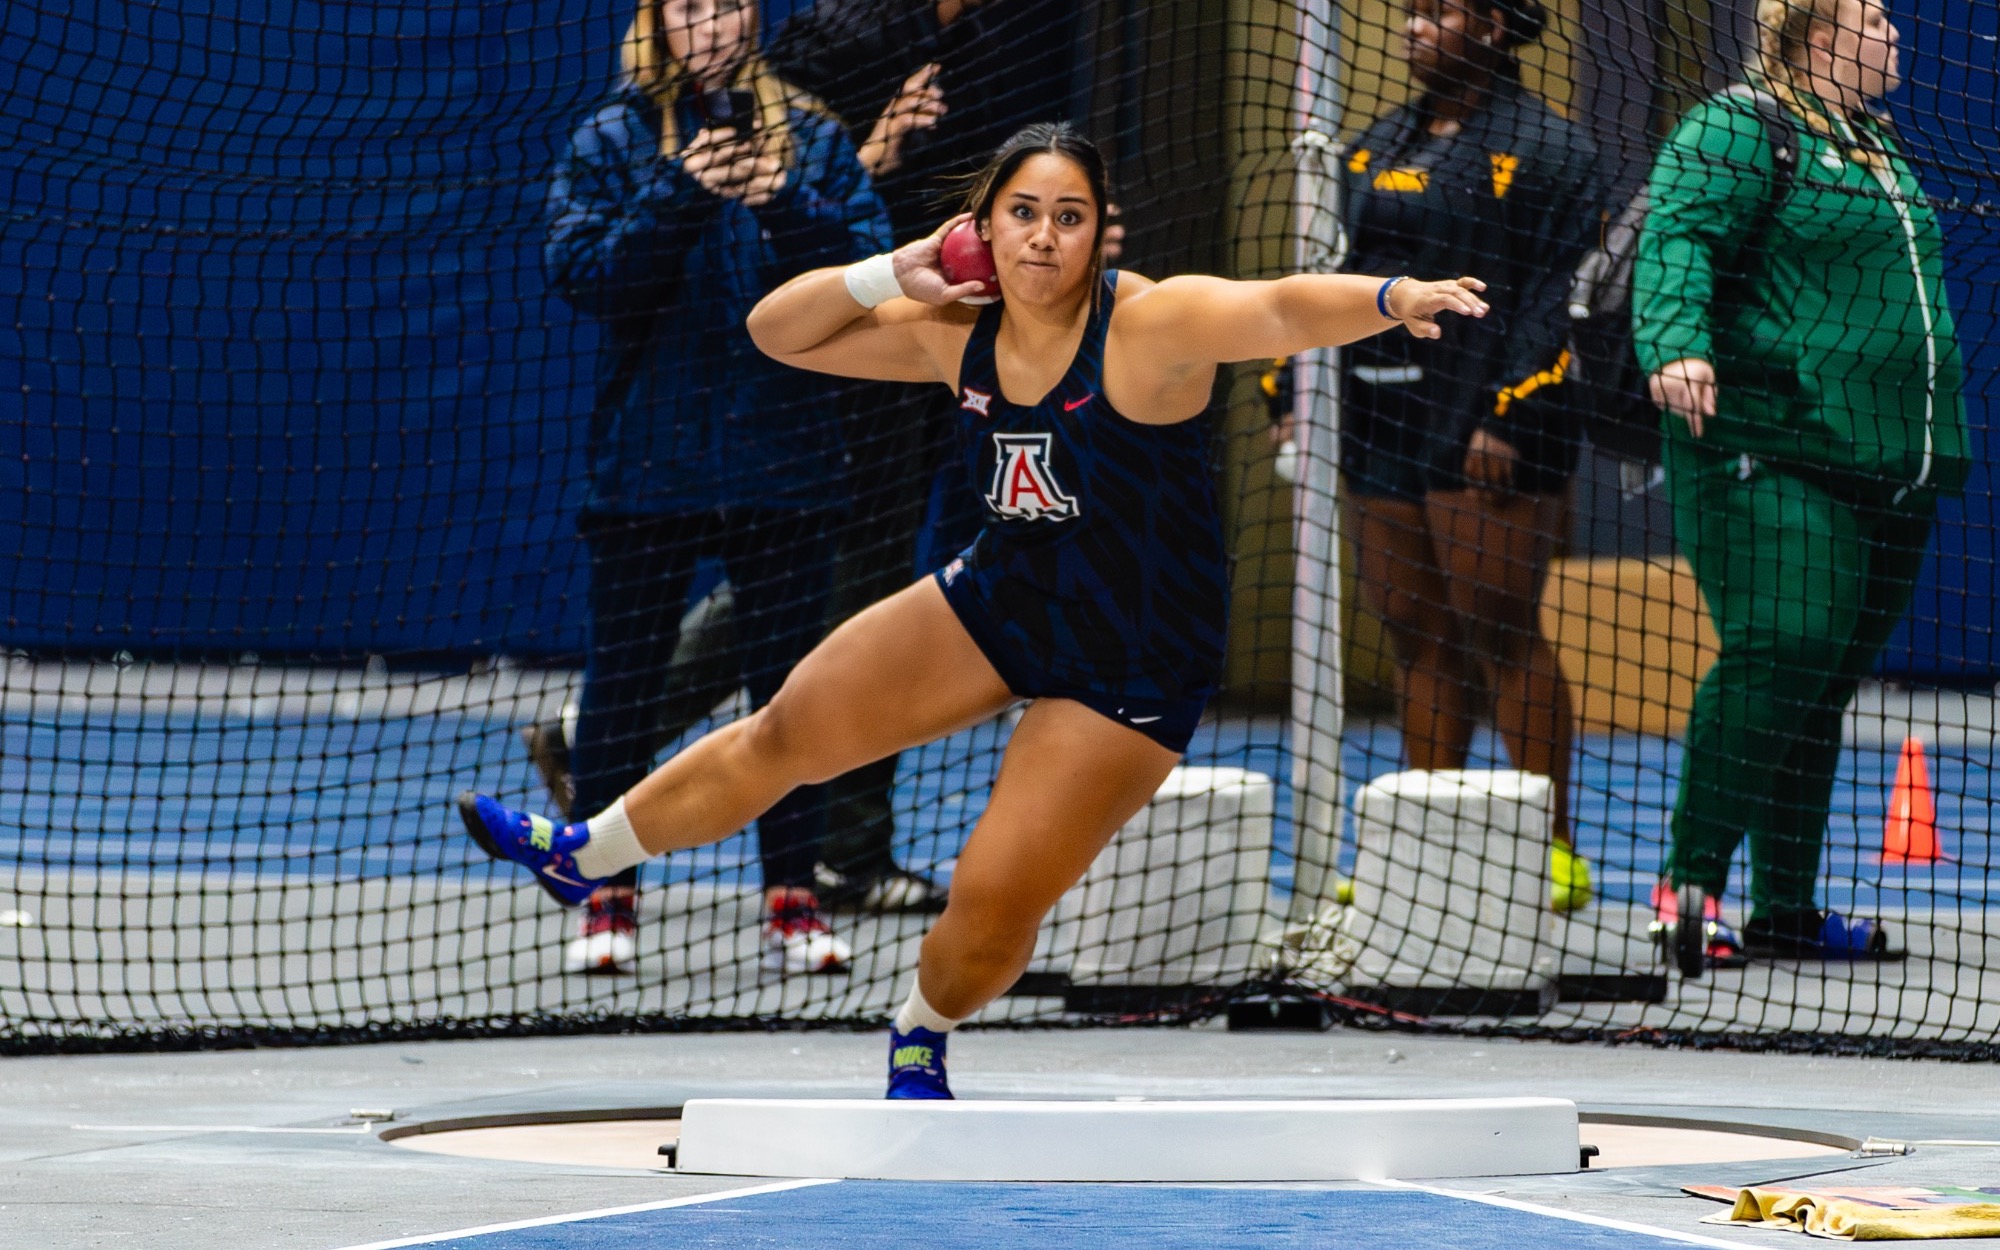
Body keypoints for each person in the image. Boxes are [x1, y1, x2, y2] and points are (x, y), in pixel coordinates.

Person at [459, 121, 1487, 1096]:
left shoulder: (1147, 324)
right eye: (1022, 211)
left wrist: (1395, 295)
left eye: (1069, 215)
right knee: (785, 728)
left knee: (990, 898)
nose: (1043, 235)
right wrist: (887, 270)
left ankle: (920, 1027)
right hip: (998, 597)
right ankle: (581, 853)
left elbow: (1277, 308)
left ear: (1098, 230)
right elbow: (776, 332)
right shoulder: (953, 330)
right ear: (981, 225)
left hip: (1132, 654)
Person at [538, 0, 895, 975]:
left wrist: (781, 199)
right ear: (657, 24)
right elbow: (584, 275)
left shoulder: (814, 136)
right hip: (646, 465)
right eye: (689, 8)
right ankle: (604, 890)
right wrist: (682, 191)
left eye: (728, 5)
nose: (710, 26)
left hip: (786, 462)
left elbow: (869, 276)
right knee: (621, 688)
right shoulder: (609, 138)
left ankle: (792, 898)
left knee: (792, 694)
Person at [1634, 0, 1969, 976]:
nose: (1893, 33)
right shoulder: (1738, 126)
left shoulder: (1874, 144)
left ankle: (1783, 905)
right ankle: (1684, 890)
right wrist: (1674, 342)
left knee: (1820, 682)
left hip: (1886, 463)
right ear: (1814, 37)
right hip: (1764, 440)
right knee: (1783, 642)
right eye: (1871, 18)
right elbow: (1677, 236)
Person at [1337, 0, 1602, 912]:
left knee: (1499, 630)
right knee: (1418, 635)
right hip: (1378, 421)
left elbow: (1559, 299)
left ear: (1495, 27)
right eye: (1408, 14)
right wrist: (1291, 396)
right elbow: (1336, 279)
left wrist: (1514, 417)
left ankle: (1554, 848)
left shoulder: (1553, 152)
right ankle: (1428, 844)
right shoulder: (1373, 148)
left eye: (1436, 12)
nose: (1413, 28)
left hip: (1488, 428)